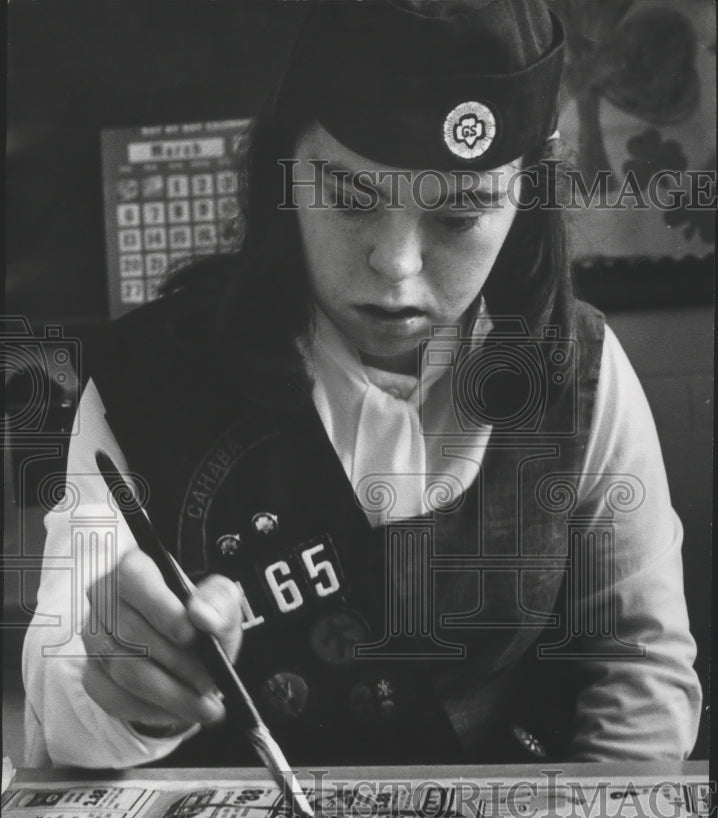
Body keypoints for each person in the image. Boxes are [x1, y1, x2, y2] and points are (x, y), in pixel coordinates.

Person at [22, 0, 701, 769]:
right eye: (350, 201)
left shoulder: (577, 368)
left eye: (458, 216)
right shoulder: (147, 379)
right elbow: (59, 685)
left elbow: (637, 668)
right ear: (285, 167)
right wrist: (119, 680)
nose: (396, 267)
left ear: (528, 192)